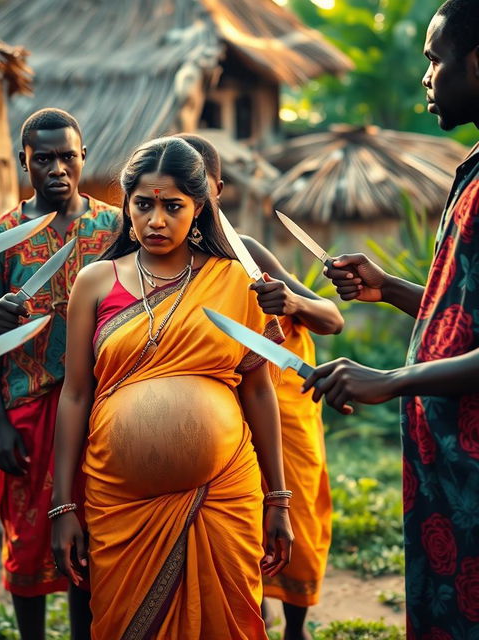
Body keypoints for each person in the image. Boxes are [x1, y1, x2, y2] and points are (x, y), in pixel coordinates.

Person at [51, 136, 294, 639]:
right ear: (127, 205)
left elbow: (258, 391)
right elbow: (75, 394)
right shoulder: (95, 282)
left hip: (222, 495)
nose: (155, 220)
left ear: (199, 208)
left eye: (172, 206)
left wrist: (279, 498)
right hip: (120, 504)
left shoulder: (234, 280)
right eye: (143, 204)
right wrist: (61, 506)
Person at [303, 1, 479, 636]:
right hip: (450, 476)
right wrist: (388, 289)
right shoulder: (473, 169)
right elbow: (461, 311)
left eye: (436, 60)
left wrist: (392, 380)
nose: (426, 76)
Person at [0, 108, 120, 640]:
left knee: (89, 540)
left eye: (66, 157)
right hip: (25, 411)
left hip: (100, 412)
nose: (56, 168)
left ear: (83, 157)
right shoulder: (1, 234)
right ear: (23, 162)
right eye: (42, 158)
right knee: (27, 539)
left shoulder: (117, 227)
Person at [176, 133, 343, 640]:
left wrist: (291, 303)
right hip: (221, 415)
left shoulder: (245, 253)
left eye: (196, 187)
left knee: (295, 518)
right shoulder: (160, 263)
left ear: (217, 189)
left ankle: (295, 626)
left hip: (282, 403)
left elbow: (331, 318)